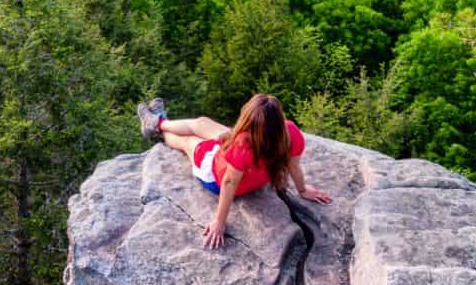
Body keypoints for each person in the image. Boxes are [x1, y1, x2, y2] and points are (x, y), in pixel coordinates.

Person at [137, 94, 332, 249]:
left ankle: (159, 128)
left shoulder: (243, 146)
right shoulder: (290, 133)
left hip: (214, 174)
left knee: (187, 141)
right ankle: (158, 121)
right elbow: (294, 166)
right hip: (245, 162)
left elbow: (228, 183)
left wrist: (219, 221)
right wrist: (303, 190)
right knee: (202, 122)